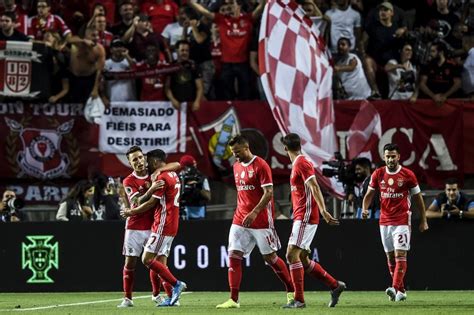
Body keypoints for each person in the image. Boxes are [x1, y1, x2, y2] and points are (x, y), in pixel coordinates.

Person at [216, 135, 294, 309]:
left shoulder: (261, 165)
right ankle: (234, 299)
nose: (235, 156)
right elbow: (242, 193)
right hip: (240, 219)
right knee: (233, 255)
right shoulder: (236, 166)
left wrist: (254, 212)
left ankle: (291, 290)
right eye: (232, 153)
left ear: (246, 147)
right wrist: (243, 212)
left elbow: (269, 193)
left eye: (237, 152)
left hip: (261, 220)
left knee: (270, 258)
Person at [281, 133, 345, 308]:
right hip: (301, 215)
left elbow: (314, 185)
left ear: (285, 148)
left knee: (291, 254)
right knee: (302, 258)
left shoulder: (302, 162)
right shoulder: (298, 163)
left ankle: (299, 300)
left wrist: (324, 210)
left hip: (306, 215)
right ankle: (335, 285)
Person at [362, 143, 429, 302]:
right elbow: (369, 194)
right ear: (384, 157)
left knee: (400, 255)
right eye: (388, 156)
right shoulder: (378, 174)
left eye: (393, 156)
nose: (390, 159)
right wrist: (365, 208)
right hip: (384, 221)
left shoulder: (408, 175)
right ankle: (401, 290)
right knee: (391, 258)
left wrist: (423, 220)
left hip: (402, 220)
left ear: (399, 157)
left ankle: (393, 287)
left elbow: (418, 199)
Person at [121, 149, 187, 307]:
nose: (139, 162)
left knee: (155, 261)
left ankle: (159, 294)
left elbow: (178, 164)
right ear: (130, 163)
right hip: (135, 226)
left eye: (140, 158)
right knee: (131, 263)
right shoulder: (128, 181)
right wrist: (151, 189)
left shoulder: (156, 172)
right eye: (134, 160)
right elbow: (136, 201)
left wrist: (159, 169)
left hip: (155, 224)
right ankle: (128, 298)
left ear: (145, 159)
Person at [189, 0, 265, 100]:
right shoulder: (222, 19)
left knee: (245, 93)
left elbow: (260, 8)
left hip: (243, 64)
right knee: (226, 94)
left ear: (239, 6)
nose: (230, 8)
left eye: (232, 5)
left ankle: (244, 113)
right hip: (226, 65)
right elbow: (204, 12)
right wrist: (190, 2)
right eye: (228, 6)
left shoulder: (247, 19)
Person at [67, 27, 106, 103]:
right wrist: (83, 41)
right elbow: (68, 40)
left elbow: (99, 71)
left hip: (89, 79)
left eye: (97, 35)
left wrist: (95, 89)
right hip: (73, 78)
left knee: (88, 102)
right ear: (86, 36)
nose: (96, 38)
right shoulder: (78, 43)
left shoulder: (99, 49)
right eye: (93, 35)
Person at [419, 40, 462, 106]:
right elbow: (422, 83)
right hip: (430, 102)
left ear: (441, 52)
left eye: (433, 51)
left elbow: (458, 83)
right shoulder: (428, 65)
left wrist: (445, 96)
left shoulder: (452, 65)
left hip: (448, 102)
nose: (430, 54)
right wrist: (433, 96)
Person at [164, 40, 204, 111]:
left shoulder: (194, 66)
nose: (185, 53)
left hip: (191, 105)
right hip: (174, 106)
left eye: (187, 50)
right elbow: (167, 87)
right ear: (177, 51)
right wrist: (173, 100)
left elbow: (200, 87)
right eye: (182, 50)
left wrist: (197, 101)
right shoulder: (171, 66)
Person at [178, 154, 211, 220]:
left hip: (199, 209)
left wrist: (197, 187)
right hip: (182, 209)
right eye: (188, 167)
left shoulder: (201, 178)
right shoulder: (179, 178)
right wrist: (183, 186)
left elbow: (208, 197)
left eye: (193, 166)